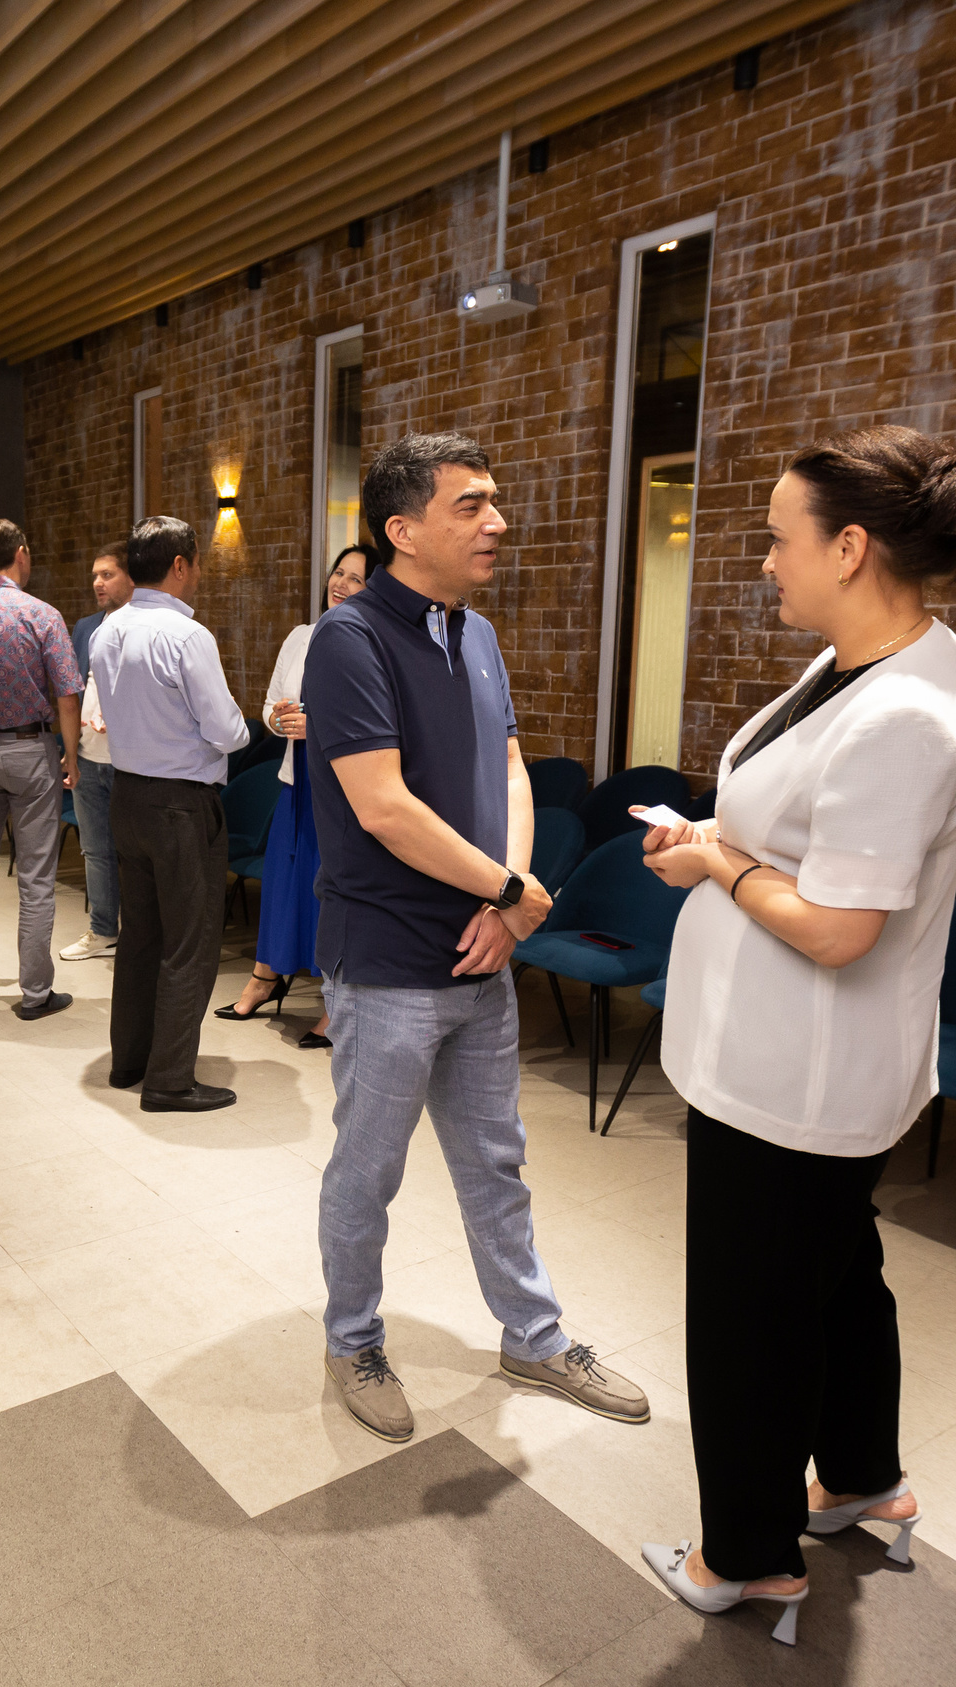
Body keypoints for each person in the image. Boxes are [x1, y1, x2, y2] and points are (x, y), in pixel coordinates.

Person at [635, 426, 956, 1642]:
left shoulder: (905, 712)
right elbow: (798, 830)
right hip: (787, 1060)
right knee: (836, 1282)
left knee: (752, 1314)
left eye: (776, 538)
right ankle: (860, 1475)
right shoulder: (864, 663)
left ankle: (747, 1556)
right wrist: (722, 847)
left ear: (849, 549)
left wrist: (718, 861)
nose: (762, 561)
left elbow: (843, 928)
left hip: (796, 1076)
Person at [305, 432, 649, 1445]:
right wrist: (508, 888)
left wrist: (512, 903)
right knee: (368, 1169)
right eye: (472, 505)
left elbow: (509, 774)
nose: (496, 522)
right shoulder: (350, 640)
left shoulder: (478, 634)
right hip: (386, 959)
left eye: (494, 502)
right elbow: (383, 808)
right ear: (403, 529)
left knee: (495, 1161)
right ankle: (353, 1338)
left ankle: (532, 1335)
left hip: (482, 948)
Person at [87, 516, 250, 1111]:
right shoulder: (187, 636)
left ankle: (130, 1062)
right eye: (198, 563)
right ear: (181, 565)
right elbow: (228, 730)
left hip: (126, 795)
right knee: (190, 943)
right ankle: (170, 1080)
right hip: (181, 804)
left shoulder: (108, 630)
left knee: (140, 938)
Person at [216, 542, 375, 1047]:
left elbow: (375, 723)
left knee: (328, 892)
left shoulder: (375, 642)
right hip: (296, 778)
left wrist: (318, 725)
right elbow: (268, 706)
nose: (342, 584)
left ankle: (335, 1002)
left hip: (343, 789)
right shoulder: (302, 636)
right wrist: (279, 720)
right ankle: (266, 976)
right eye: (339, 573)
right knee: (285, 882)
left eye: (356, 579)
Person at [0, 518, 82, 1020]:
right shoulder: (41, 614)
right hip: (31, 750)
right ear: (21, 553)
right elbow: (67, 691)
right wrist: (71, 754)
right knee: (36, 878)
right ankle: (35, 993)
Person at [61, 543, 134, 963]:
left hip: (130, 761)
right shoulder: (87, 626)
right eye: (94, 575)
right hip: (89, 755)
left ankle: (141, 934)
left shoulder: (143, 623)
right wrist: (70, 753)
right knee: (95, 850)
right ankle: (104, 928)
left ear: (129, 577)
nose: (97, 583)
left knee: (134, 853)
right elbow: (73, 692)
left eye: (106, 574)